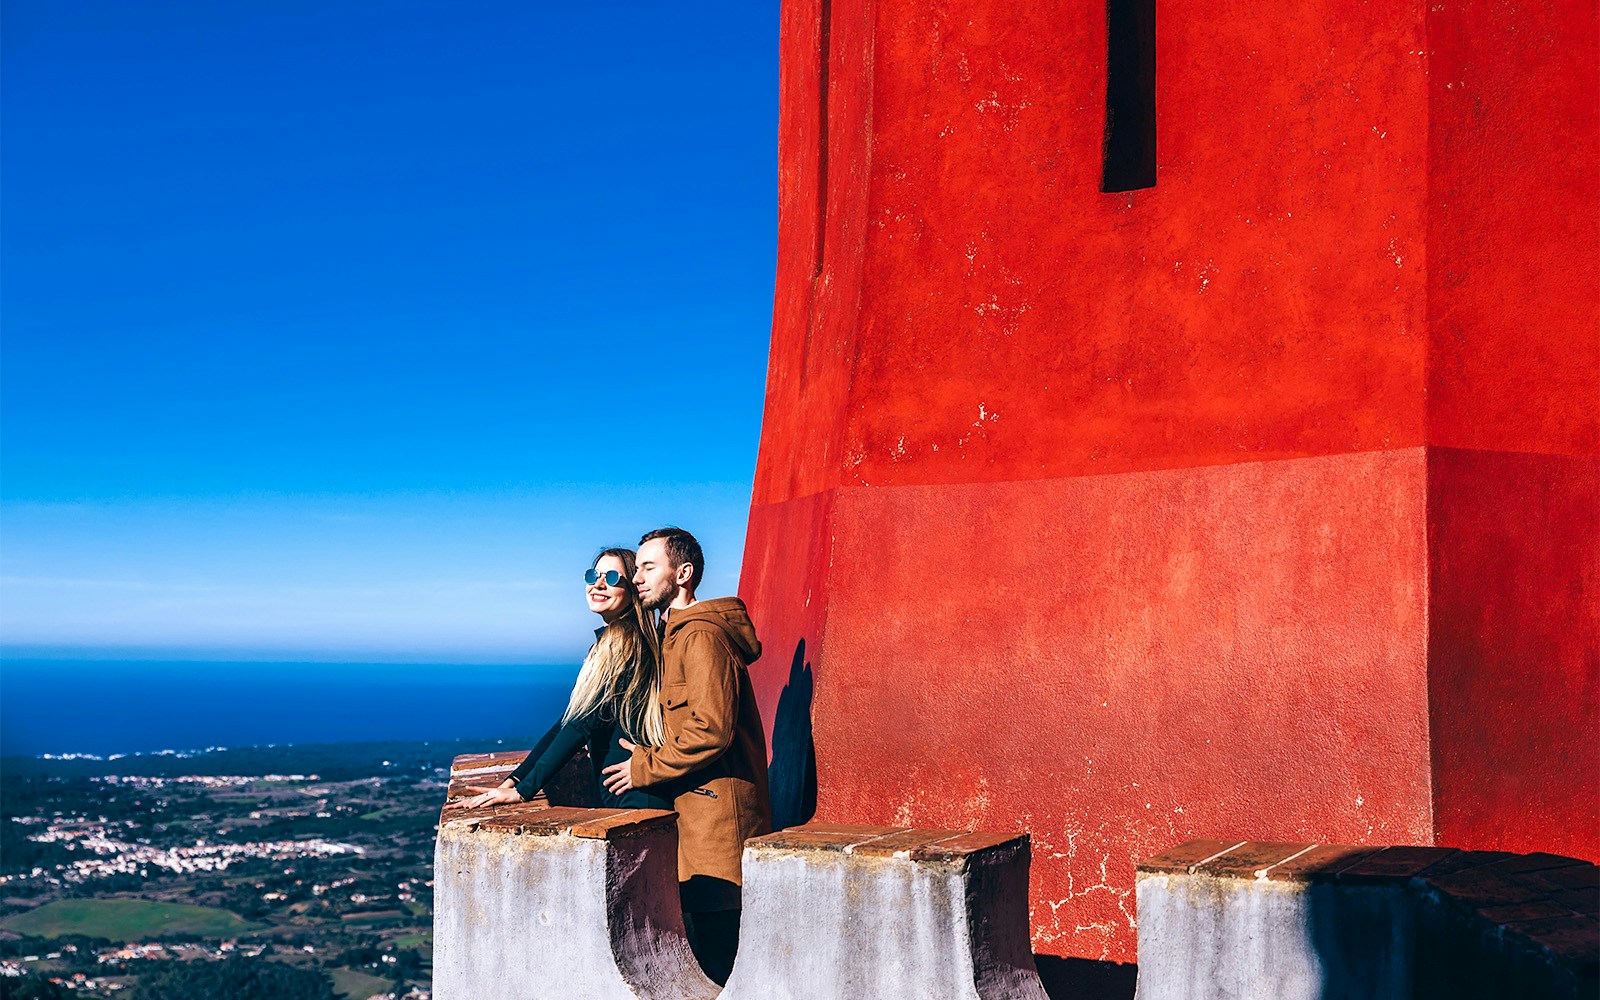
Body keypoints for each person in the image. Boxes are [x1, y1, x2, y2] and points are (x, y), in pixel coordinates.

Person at [600, 527, 770, 985]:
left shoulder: (701, 638)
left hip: (716, 836)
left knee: (720, 968)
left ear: (684, 573)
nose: (637, 577)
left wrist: (644, 767)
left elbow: (712, 729)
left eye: (649, 567)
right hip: (696, 828)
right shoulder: (674, 634)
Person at [446, 548, 671, 812]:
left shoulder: (624, 643)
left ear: (632, 588)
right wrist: (514, 781)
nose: (598, 584)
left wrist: (523, 791)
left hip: (633, 797)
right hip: (624, 793)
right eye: (593, 576)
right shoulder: (616, 640)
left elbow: (580, 726)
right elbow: (566, 723)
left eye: (611, 578)